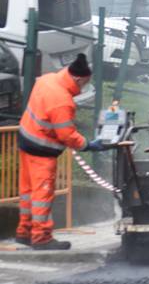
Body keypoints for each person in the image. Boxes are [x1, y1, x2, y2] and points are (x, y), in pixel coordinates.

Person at [15, 54, 107, 250]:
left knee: (27, 192)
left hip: (25, 141)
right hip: (42, 151)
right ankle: (41, 238)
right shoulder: (63, 101)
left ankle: (24, 231)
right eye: (85, 83)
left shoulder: (47, 79)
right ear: (78, 78)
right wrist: (88, 145)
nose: (84, 87)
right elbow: (67, 135)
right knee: (42, 195)